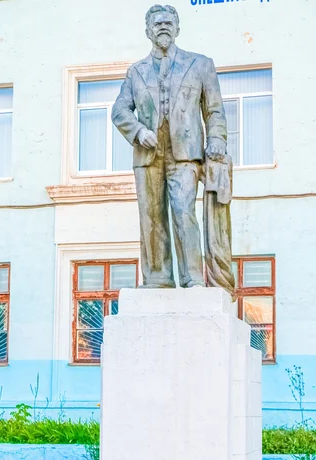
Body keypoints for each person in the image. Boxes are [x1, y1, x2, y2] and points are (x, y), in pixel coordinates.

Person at [112, 4, 228, 289]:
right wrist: (138, 132)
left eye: (168, 23)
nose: (163, 27)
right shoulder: (136, 72)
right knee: (151, 217)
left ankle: (193, 277)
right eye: (157, 23)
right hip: (149, 155)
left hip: (186, 155)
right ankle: (158, 277)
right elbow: (119, 110)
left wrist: (216, 139)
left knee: (182, 211)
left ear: (177, 29)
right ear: (148, 31)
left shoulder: (200, 64)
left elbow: (214, 110)